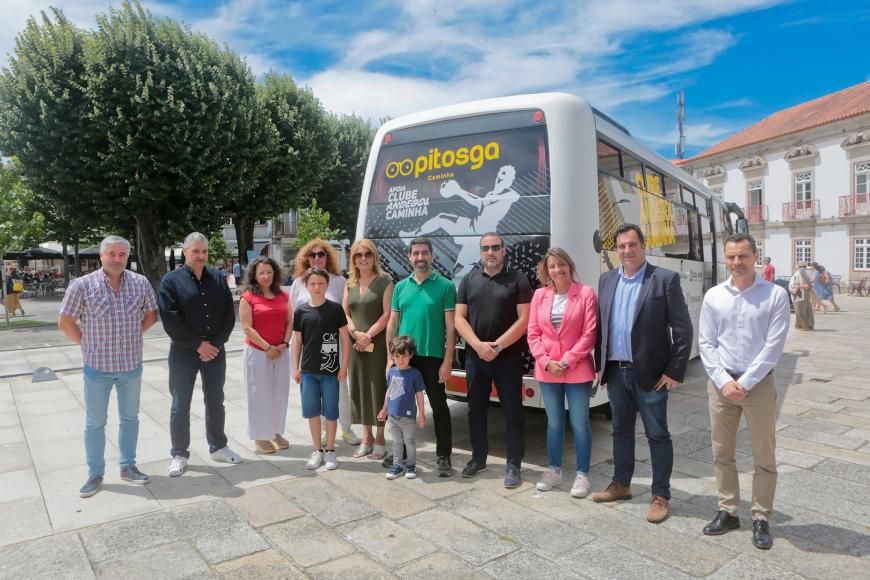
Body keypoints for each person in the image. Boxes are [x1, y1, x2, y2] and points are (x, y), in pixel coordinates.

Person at [591, 223, 692, 524]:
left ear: (643, 246)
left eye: (632, 245)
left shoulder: (664, 279)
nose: (627, 251)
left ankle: (661, 494)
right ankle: (621, 484)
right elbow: (602, 325)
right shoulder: (607, 280)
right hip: (616, 373)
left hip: (650, 374)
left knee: (657, 434)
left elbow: (683, 328)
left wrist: (675, 370)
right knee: (620, 431)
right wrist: (600, 367)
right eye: (621, 246)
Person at [699, 233, 790, 550]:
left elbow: (773, 347)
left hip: (759, 384)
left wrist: (746, 382)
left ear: (755, 256)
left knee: (764, 455)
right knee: (721, 452)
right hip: (721, 384)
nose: (737, 262)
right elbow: (707, 343)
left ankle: (762, 516)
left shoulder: (775, 295)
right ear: (725, 258)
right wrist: (723, 380)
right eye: (731, 257)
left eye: (743, 256)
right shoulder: (714, 296)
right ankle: (728, 511)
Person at [58, 235, 158, 497]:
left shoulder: (140, 283)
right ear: (101, 256)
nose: (116, 259)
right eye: (111, 254)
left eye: (122, 255)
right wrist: (85, 344)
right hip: (97, 369)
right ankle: (95, 473)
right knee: (95, 423)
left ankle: (128, 467)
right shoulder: (82, 285)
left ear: (128, 257)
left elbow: (151, 314)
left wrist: (135, 334)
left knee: (130, 419)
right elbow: (65, 321)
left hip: (130, 366)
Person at [159, 232, 242, 477]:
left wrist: (214, 344)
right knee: (180, 404)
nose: (201, 256)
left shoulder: (218, 278)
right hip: (184, 352)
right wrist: (198, 345)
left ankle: (218, 446)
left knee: (216, 400)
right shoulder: (171, 281)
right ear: (185, 252)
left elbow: (229, 314)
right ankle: (179, 453)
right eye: (195, 251)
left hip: (215, 350)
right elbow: (170, 318)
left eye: (204, 251)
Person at [454, 232, 532, 488]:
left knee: (513, 412)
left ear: (503, 250)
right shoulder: (468, 279)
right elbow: (459, 318)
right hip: (476, 357)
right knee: (476, 410)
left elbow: (525, 320)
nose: (491, 252)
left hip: (507, 356)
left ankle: (513, 464)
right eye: (486, 248)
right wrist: (477, 345)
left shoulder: (517, 279)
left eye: (495, 247)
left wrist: (497, 347)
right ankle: (478, 458)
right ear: (480, 252)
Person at [527, 247, 597, 497]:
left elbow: (589, 334)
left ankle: (582, 475)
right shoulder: (539, 296)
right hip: (548, 371)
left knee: (580, 423)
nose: (557, 270)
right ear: (546, 270)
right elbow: (533, 333)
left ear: (570, 265)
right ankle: (554, 471)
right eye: (552, 266)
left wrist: (565, 362)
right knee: (554, 423)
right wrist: (546, 362)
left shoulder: (586, 293)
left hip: (576, 370)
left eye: (561, 265)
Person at [387, 237, 457, 477]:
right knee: (400, 407)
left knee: (439, 407)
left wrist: (448, 360)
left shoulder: (446, 286)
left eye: (424, 253)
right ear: (409, 257)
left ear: (432, 256)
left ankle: (444, 455)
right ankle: (402, 455)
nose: (420, 257)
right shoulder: (400, 287)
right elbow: (393, 322)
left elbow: (451, 327)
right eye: (415, 253)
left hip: (433, 357)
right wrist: (390, 357)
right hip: (404, 359)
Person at [291, 238, 361, 446]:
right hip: (310, 347)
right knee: (314, 393)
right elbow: (296, 317)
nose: (317, 258)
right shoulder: (297, 283)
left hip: (333, 344)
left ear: (327, 257)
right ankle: (322, 431)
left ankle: (346, 428)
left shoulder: (338, 281)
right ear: (306, 258)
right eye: (312, 255)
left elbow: (343, 312)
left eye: (321, 254)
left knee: (340, 391)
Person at [292, 266, 351, 471]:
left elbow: (345, 339)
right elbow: (297, 341)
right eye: (313, 284)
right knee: (312, 412)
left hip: (331, 370)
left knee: (331, 411)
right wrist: (295, 368)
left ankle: (331, 450)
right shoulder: (301, 311)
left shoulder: (335, 309)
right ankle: (317, 449)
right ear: (306, 286)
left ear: (327, 285)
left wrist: (344, 367)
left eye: (321, 283)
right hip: (308, 370)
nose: (317, 287)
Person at [342, 239, 394, 459]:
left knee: (377, 388)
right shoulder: (350, 283)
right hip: (356, 345)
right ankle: (367, 438)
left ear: (374, 257)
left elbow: (387, 314)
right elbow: (344, 313)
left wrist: (368, 335)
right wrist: (355, 334)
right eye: (358, 255)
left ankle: (381, 437)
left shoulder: (385, 281)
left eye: (367, 254)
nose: (363, 258)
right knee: (360, 388)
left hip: (378, 344)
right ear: (353, 259)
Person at [239, 256, 292, 454]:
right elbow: (247, 328)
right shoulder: (248, 297)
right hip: (258, 352)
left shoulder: (283, 295)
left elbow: (290, 321)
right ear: (254, 274)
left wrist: (284, 344)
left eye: (269, 272)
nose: (266, 276)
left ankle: (276, 431)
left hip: (281, 351)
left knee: (279, 393)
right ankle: (260, 437)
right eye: (261, 272)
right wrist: (267, 347)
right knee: (259, 395)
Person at [378, 336, 426, 480]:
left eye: (404, 356)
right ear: (392, 356)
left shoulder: (415, 374)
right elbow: (389, 391)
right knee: (396, 442)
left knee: (409, 442)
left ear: (411, 355)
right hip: (393, 416)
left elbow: (420, 395)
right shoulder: (391, 372)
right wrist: (384, 409)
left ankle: (411, 465)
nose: (400, 360)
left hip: (408, 417)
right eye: (397, 356)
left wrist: (422, 414)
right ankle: (397, 465)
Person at [788, 262, 814, 330]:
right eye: (801, 266)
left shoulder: (806, 275)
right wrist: (801, 286)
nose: (802, 268)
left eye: (804, 266)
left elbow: (810, 285)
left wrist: (809, 287)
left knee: (808, 311)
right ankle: (802, 325)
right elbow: (791, 286)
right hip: (798, 296)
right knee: (799, 311)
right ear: (798, 267)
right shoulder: (796, 275)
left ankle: (807, 324)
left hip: (806, 296)